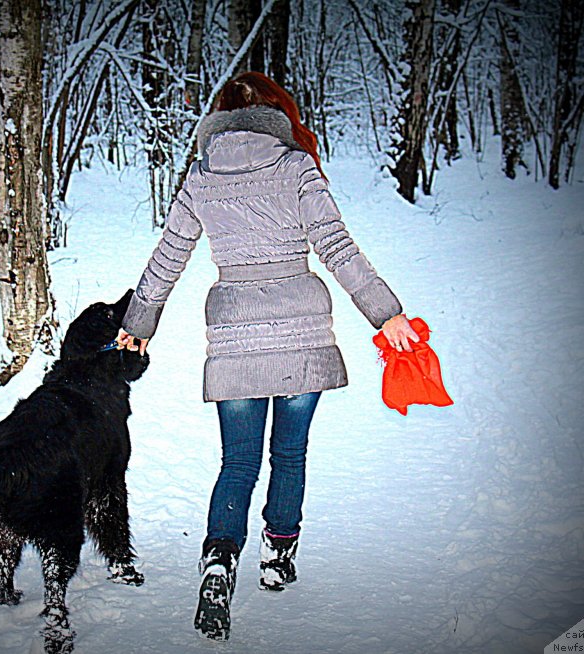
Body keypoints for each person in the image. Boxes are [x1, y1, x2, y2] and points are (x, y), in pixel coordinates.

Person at [116, 71, 418, 641]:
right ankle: (278, 554)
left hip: (234, 335)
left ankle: (218, 562)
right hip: (302, 331)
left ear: (222, 116)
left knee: (238, 462)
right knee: (290, 453)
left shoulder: (202, 176)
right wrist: (386, 313)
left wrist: (139, 322)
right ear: (278, 113)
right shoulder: (296, 166)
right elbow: (338, 248)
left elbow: (168, 256)